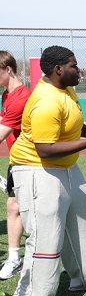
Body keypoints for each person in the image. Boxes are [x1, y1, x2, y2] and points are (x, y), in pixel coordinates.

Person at [5, 46, 86, 296]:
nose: (79, 71)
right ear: (58, 70)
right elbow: (46, 149)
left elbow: (72, 121)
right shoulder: (45, 101)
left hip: (66, 167)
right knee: (45, 238)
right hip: (36, 170)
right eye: (74, 66)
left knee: (83, 221)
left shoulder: (66, 89)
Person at [0, 51, 31, 280]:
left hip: (30, 162)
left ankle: (56, 260)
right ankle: (14, 258)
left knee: (35, 213)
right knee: (13, 206)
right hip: (16, 160)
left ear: (8, 69)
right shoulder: (6, 95)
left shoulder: (22, 97)